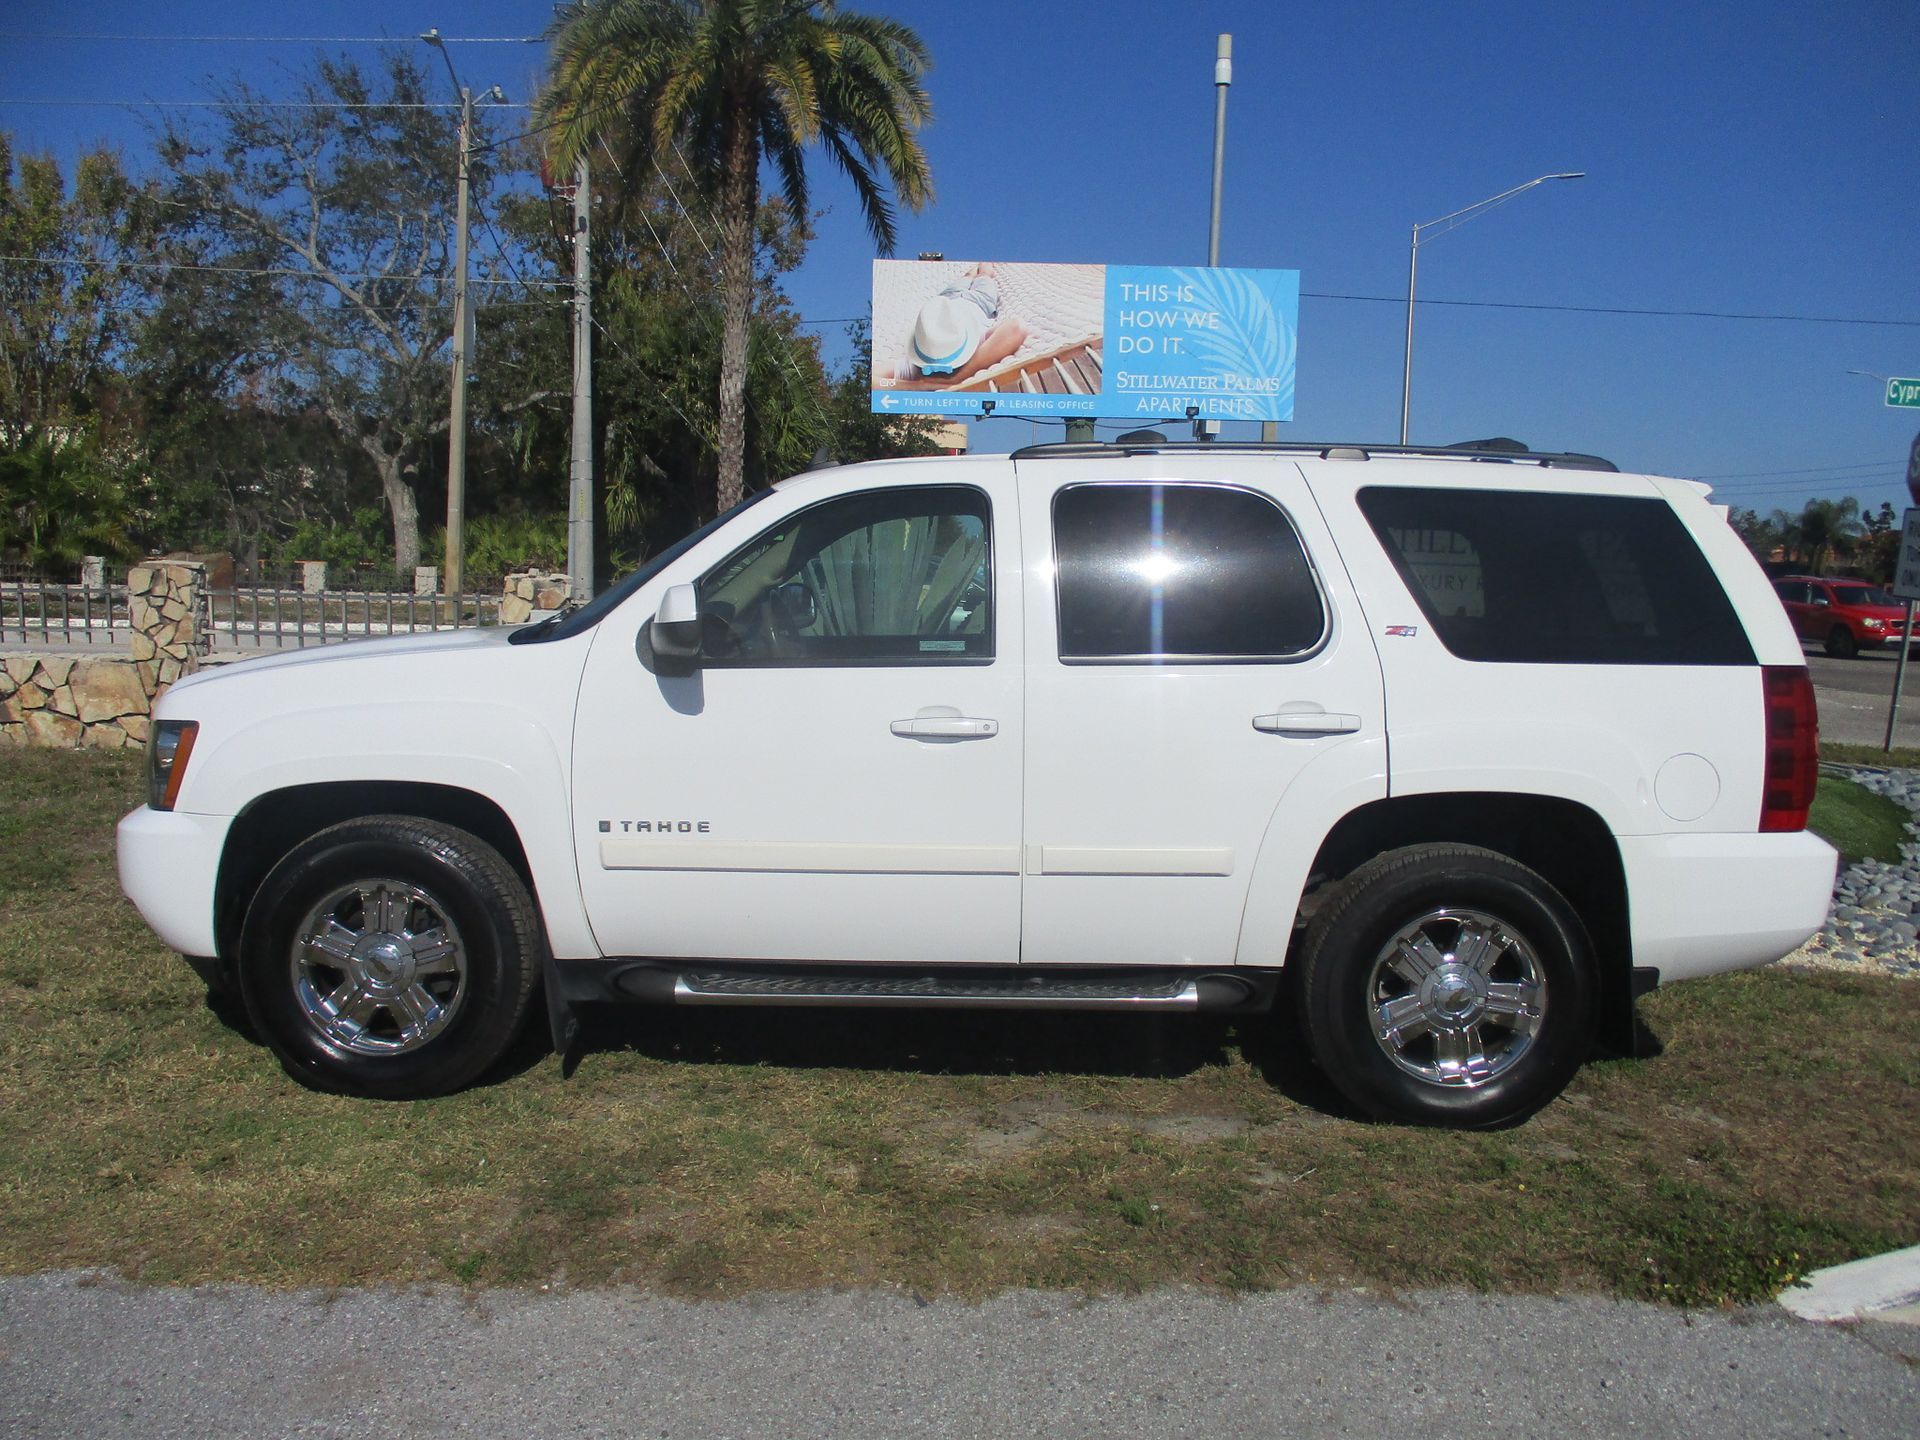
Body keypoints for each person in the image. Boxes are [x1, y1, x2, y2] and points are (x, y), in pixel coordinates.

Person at [881, 263, 1030, 390]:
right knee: (984, 274)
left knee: (968, 276)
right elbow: (1017, 327)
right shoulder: (975, 345)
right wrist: (958, 377)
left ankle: (977, 266)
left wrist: (926, 384)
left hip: (946, 300)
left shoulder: (915, 367)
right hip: (979, 301)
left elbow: (876, 379)